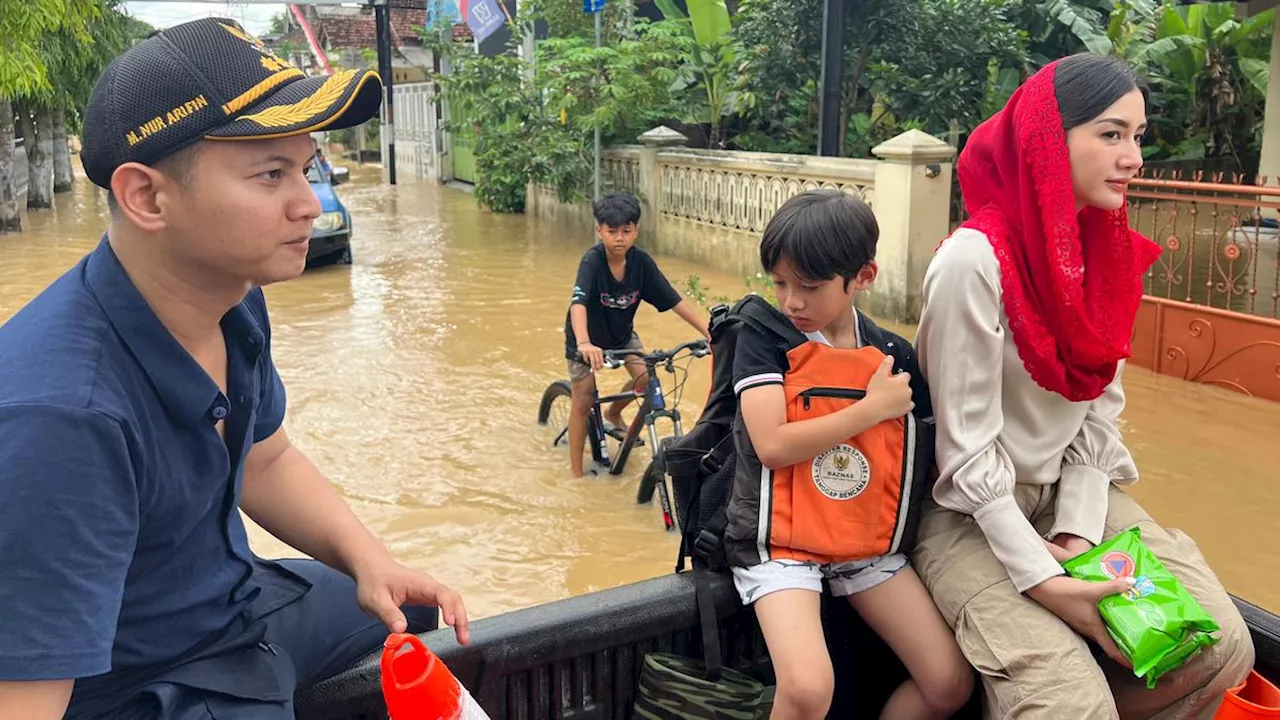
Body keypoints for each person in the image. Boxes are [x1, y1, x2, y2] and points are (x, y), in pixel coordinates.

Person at [0, 18, 468, 719]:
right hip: (143, 682)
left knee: (406, 615)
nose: (308, 204)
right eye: (270, 174)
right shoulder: (64, 417)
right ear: (148, 197)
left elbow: (264, 459)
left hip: (236, 602)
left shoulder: (233, 301)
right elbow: (26, 697)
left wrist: (371, 561)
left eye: (305, 168)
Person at [912, 53, 1254, 719]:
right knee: (1068, 702)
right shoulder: (971, 263)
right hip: (965, 515)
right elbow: (968, 453)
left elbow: (1100, 415)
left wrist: (1074, 534)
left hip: (1070, 495)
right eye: (1111, 134)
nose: (1133, 157)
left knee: (1219, 647)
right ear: (1047, 139)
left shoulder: (1108, 256)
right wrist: (1045, 580)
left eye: (1137, 136)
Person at [726, 190, 974, 720]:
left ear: (863, 275)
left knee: (949, 682)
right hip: (780, 542)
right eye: (779, 283)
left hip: (864, 542)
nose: (791, 301)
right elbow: (771, 445)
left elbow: (927, 460)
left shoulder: (892, 354)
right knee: (810, 687)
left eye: (809, 287)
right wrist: (870, 409)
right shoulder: (763, 337)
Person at [563, 192, 708, 478]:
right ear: (599, 231)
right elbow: (578, 303)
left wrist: (708, 332)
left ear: (636, 231)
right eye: (612, 231)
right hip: (584, 338)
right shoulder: (592, 262)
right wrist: (583, 343)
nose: (619, 238)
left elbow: (674, 300)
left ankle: (613, 413)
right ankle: (575, 474)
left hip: (621, 335)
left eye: (626, 231)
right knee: (583, 399)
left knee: (646, 382)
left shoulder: (641, 263)